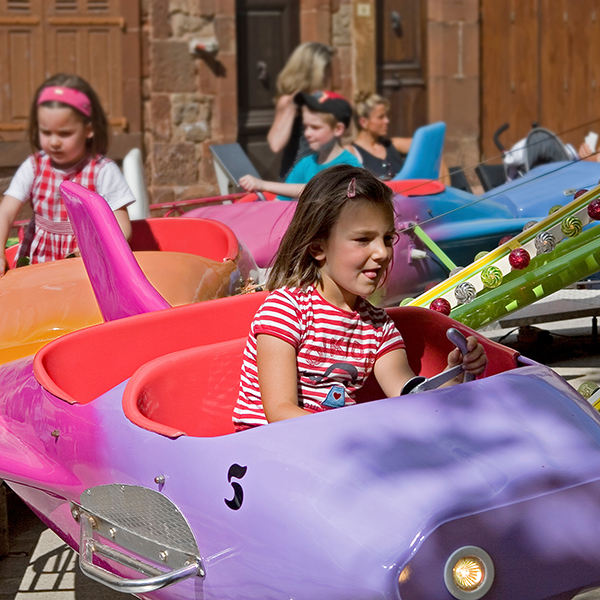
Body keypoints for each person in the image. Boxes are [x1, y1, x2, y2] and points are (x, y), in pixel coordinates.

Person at [233, 165, 487, 430]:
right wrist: (355, 432)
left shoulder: (378, 326)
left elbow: (406, 391)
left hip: (336, 446)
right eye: (364, 239)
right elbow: (279, 411)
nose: (382, 253)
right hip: (266, 447)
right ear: (318, 247)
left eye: (388, 238)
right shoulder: (286, 310)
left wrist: (453, 378)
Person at [0, 73, 135, 276]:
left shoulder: (102, 171)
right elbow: (6, 212)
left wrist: (96, 248)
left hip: (84, 266)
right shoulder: (34, 166)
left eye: (64, 133)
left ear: (88, 129)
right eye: (46, 132)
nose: (54, 141)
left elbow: (123, 227)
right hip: (39, 266)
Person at [240, 91, 361, 200]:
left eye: (315, 127)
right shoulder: (305, 164)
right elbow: (280, 203)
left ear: (338, 129)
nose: (307, 133)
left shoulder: (349, 165)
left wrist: (263, 185)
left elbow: (316, 190)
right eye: (305, 126)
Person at [267, 42, 335, 181]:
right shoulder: (289, 101)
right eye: (326, 69)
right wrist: (293, 106)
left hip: (321, 177)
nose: (330, 74)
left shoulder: (322, 99)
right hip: (296, 180)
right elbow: (275, 144)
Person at [350, 93, 450, 182]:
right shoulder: (353, 152)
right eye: (381, 117)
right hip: (382, 201)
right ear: (363, 122)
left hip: (410, 198)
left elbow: (430, 145)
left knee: (437, 156)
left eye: (386, 116)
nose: (387, 121)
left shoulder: (391, 144)